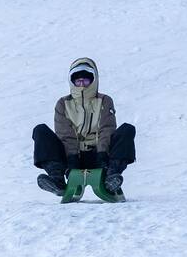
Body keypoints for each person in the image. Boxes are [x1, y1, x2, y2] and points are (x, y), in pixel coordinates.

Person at [32, 58, 136, 197]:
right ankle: (57, 180)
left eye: (86, 81)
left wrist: (102, 161)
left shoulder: (104, 100)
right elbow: (65, 135)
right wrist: (72, 164)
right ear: (72, 82)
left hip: (100, 156)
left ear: (93, 80)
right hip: (71, 158)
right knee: (40, 131)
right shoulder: (63, 104)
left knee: (127, 130)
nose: (82, 85)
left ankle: (111, 176)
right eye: (78, 81)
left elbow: (106, 130)